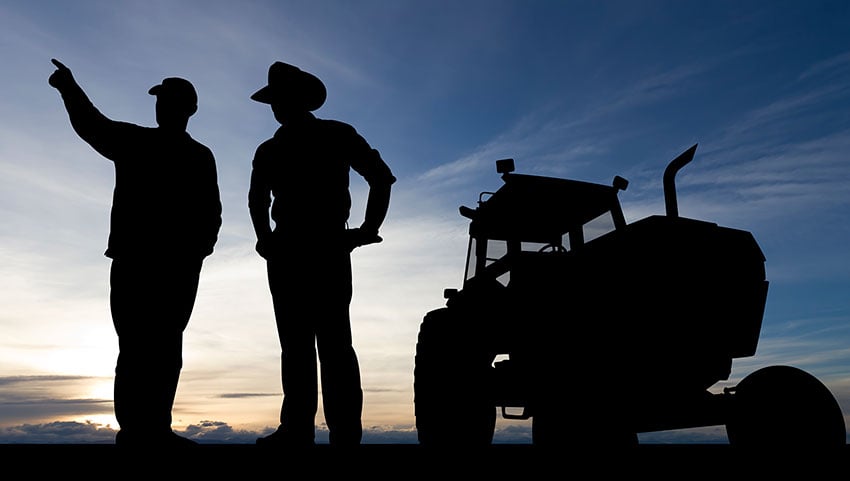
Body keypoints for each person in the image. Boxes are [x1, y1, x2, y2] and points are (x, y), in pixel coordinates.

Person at [48, 59, 222, 446]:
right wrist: (69, 88)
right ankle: (137, 432)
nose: (162, 106)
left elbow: (211, 211)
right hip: (137, 262)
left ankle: (154, 429)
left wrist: (197, 252)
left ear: (189, 108)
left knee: (163, 348)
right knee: (138, 349)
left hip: (172, 265)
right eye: (160, 100)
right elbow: (92, 125)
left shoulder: (197, 155)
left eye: (170, 100)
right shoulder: (137, 141)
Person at [248, 61, 396, 446]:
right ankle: (306, 430)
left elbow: (381, 177)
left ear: (298, 99)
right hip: (302, 250)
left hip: (314, 248)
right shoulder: (279, 147)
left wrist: (368, 230)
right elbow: (256, 199)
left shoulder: (323, 137)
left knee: (326, 344)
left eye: (280, 99)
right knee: (307, 344)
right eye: (274, 101)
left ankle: (330, 432)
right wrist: (266, 239)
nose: (276, 108)